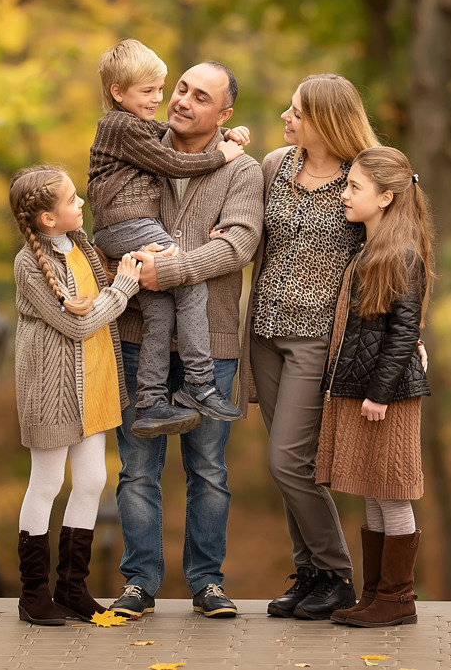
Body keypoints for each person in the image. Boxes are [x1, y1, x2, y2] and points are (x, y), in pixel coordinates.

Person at [104, 61, 264, 620]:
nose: (183, 101)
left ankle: (207, 583)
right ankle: (139, 583)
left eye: (201, 97)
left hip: (212, 344)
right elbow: (105, 221)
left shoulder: (241, 171)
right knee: (137, 469)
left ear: (224, 115)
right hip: (135, 335)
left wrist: (167, 270)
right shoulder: (137, 141)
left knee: (209, 470)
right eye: (181, 89)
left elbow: (236, 247)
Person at [238, 74, 380, 620]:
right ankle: (310, 575)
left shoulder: (363, 175)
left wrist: (405, 331)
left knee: (288, 462)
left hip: (318, 339)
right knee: (286, 462)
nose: (283, 117)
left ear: (325, 119)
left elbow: (393, 254)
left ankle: (338, 574)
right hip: (265, 334)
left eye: (295, 112)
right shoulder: (275, 166)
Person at [88, 39, 248, 438]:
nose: (166, 100)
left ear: (222, 112)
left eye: (162, 90)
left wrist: (223, 136)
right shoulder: (123, 127)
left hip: (123, 230)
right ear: (118, 92)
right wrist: (222, 154)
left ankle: (152, 402)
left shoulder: (133, 126)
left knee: (160, 309)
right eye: (165, 90)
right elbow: (174, 163)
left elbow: (239, 245)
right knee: (189, 285)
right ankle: (198, 384)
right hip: (126, 225)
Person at [8, 165, 142, 625]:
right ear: (48, 218)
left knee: (90, 482)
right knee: (46, 483)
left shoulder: (81, 245)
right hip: (53, 389)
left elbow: (93, 314)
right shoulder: (29, 264)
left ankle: (71, 587)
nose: (80, 202)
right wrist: (124, 287)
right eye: (70, 200)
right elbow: (79, 322)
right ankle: (33, 594)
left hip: (97, 380)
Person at [318, 145, 433, 628]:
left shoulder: (401, 251)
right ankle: (375, 594)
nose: (344, 195)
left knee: (392, 491)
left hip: (387, 395)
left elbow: (404, 331)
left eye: (353, 188)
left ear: (386, 198)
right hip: (366, 389)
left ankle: (398, 598)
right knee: (372, 489)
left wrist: (380, 394)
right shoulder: (371, 245)